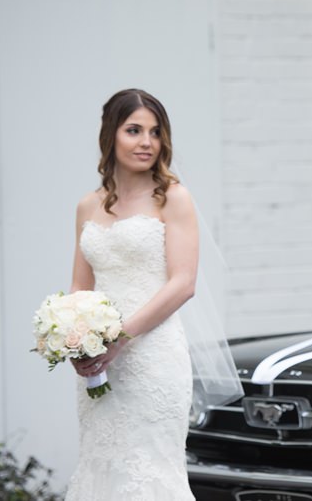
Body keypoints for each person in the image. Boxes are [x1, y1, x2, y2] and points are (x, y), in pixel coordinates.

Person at [65, 88, 199, 500]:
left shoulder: (172, 197)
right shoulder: (88, 206)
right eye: (134, 130)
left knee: (150, 472)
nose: (147, 142)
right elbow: (79, 288)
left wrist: (120, 338)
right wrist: (75, 341)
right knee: (101, 466)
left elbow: (183, 283)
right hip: (101, 363)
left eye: (155, 132)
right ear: (110, 134)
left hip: (153, 360)